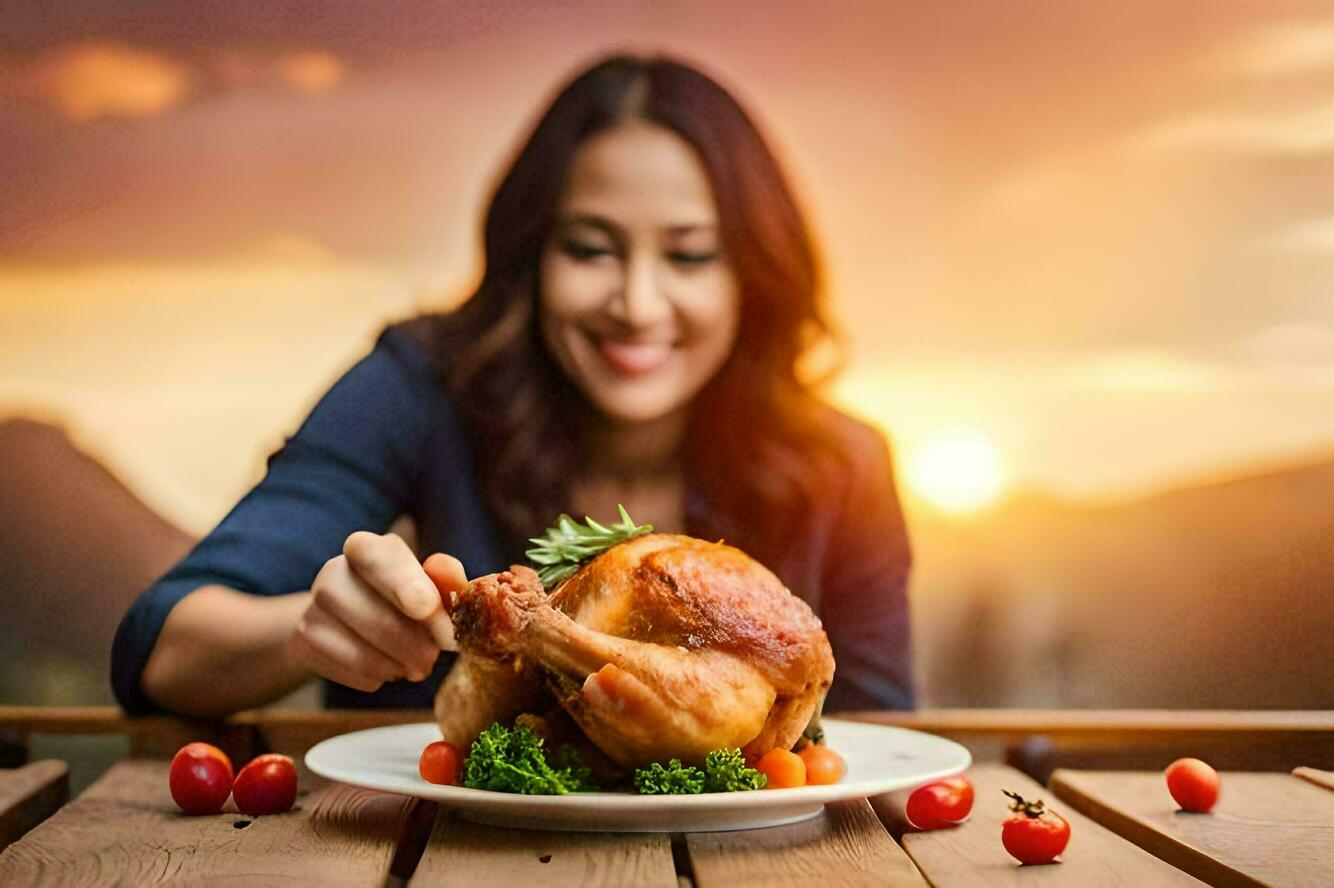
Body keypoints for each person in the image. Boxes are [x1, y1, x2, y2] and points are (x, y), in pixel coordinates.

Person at [112, 52, 915, 719]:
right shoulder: (418, 387)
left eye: (690, 255)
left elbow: (884, 741)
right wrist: (304, 630)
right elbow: (161, 648)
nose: (637, 305)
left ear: (756, 274)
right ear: (531, 258)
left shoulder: (842, 464)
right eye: (590, 248)